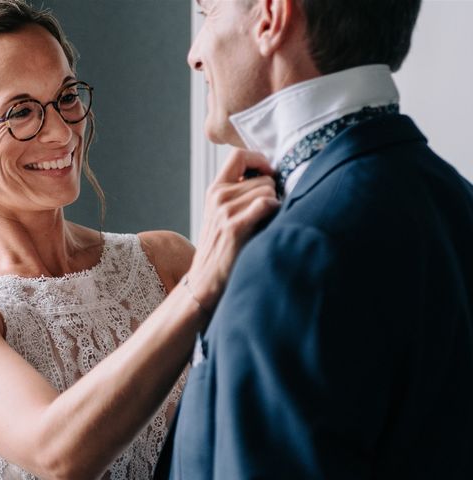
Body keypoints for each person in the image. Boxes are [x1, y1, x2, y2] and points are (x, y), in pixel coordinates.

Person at [0, 1, 280, 479]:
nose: (60, 132)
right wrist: (198, 288)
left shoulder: (167, 260)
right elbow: (59, 455)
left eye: (67, 96)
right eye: (20, 111)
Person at [156, 0, 473, 478]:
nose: (194, 54)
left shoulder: (295, 257)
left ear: (270, 16)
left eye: (209, 13)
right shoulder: (458, 201)